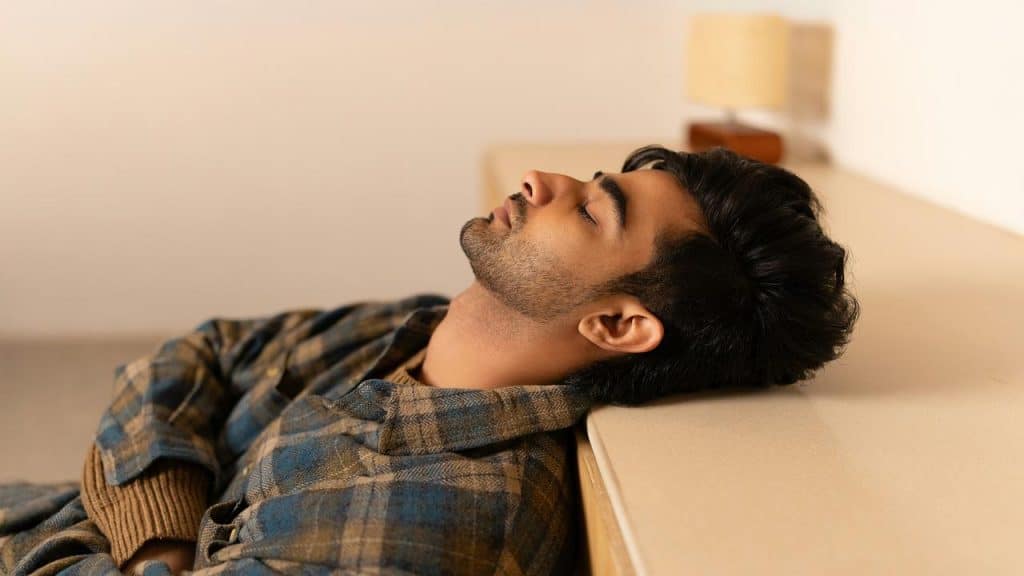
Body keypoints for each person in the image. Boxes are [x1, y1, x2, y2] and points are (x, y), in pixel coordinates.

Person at [0, 145, 858, 575]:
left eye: (593, 212)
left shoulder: (444, 510)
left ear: (618, 326)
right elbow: (197, 352)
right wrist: (157, 538)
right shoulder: (419, 328)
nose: (539, 180)